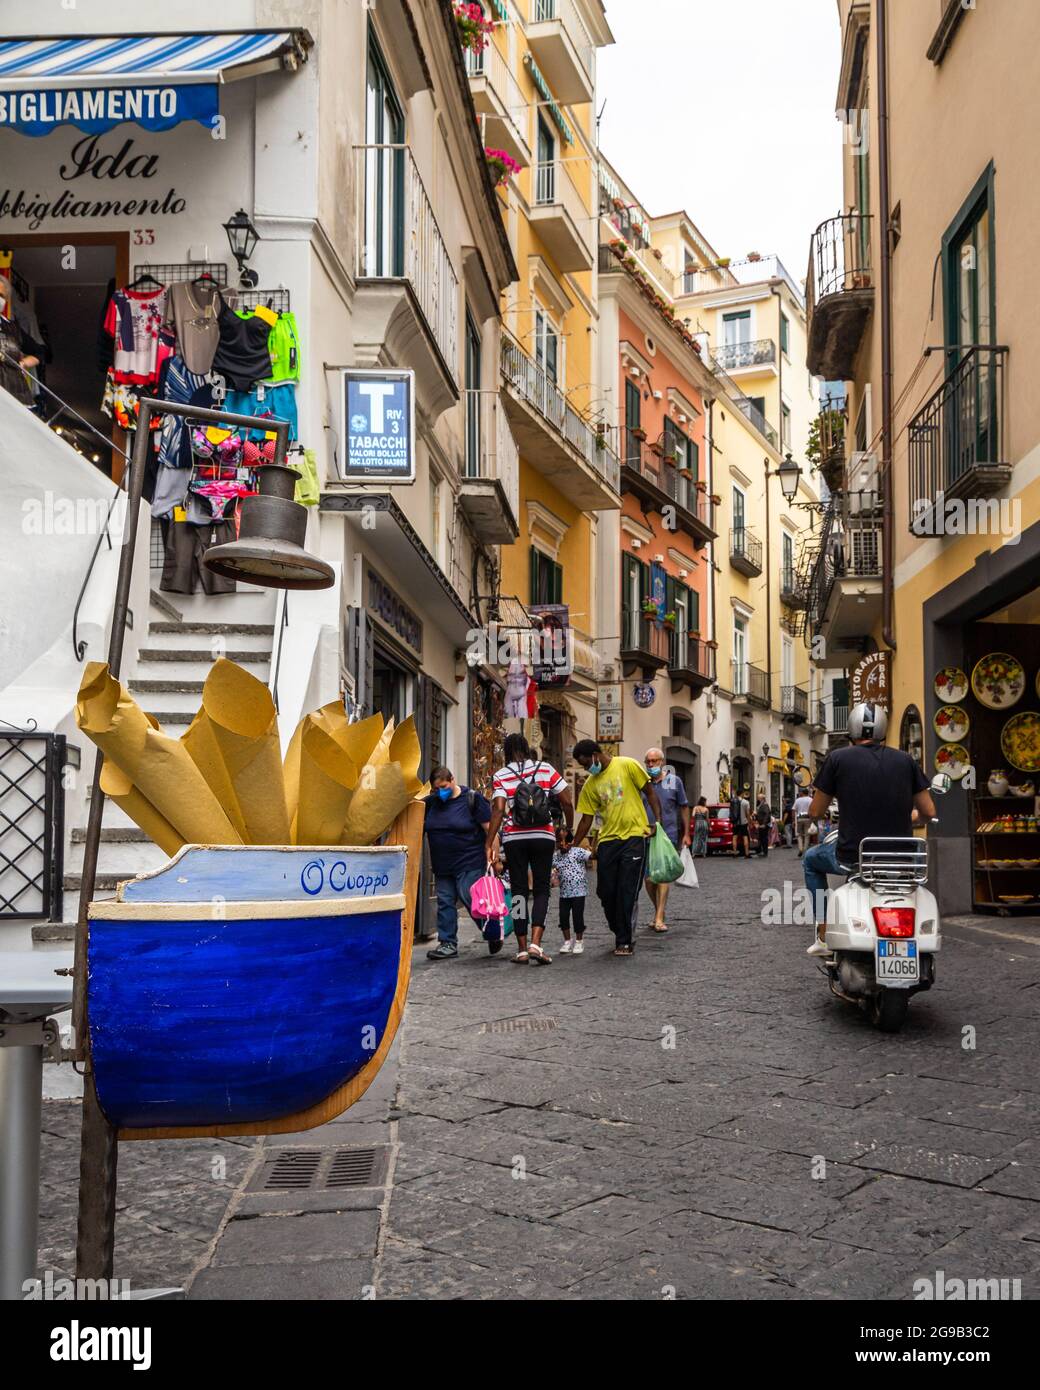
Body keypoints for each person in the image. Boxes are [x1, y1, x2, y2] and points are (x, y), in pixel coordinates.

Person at [803, 703, 934, 957]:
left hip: (853, 857)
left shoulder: (837, 759)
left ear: (851, 729)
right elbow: (928, 812)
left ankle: (823, 931)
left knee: (810, 860)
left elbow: (816, 812)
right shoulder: (906, 760)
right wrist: (911, 817)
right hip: (901, 860)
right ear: (883, 730)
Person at [485, 732, 573, 966]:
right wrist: (568, 828)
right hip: (543, 836)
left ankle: (522, 949)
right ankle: (536, 943)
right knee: (542, 888)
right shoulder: (545, 768)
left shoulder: (501, 775)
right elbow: (566, 800)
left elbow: (499, 809)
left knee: (519, 892)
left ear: (506, 751)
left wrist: (489, 843)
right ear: (526, 747)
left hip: (514, 838)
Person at [572, 739, 662, 957]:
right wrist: (573, 845)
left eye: (586, 763)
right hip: (607, 842)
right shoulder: (590, 785)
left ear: (595, 754)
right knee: (605, 891)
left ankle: (624, 940)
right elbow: (586, 820)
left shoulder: (627, 765)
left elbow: (649, 792)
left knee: (627, 890)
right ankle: (619, 928)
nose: (586, 768)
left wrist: (656, 822)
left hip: (634, 837)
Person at [422, 766, 495, 961]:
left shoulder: (472, 799)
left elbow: (490, 828)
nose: (440, 792)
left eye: (443, 787)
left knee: (471, 899)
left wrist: (494, 857)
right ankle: (447, 944)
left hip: (469, 861)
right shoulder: (430, 804)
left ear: (452, 780)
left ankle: (492, 931)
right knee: (445, 902)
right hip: (442, 864)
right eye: (436, 789)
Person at [641, 747, 691, 933]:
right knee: (648, 879)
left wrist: (686, 833)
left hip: (667, 835)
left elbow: (684, 807)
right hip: (645, 834)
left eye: (654, 761)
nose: (651, 764)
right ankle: (658, 911)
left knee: (662, 875)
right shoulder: (642, 783)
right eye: (648, 761)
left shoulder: (674, 781)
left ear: (662, 762)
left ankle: (659, 917)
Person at [551, 827, 591, 954]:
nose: (563, 844)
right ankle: (567, 941)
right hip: (564, 893)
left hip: (579, 891)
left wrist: (594, 844)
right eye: (559, 841)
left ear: (571, 841)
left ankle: (579, 941)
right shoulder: (556, 856)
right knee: (563, 916)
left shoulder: (578, 852)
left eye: (566, 840)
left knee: (577, 916)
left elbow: (593, 856)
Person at [793, 785, 814, 858]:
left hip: (799, 818)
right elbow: (813, 809)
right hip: (808, 818)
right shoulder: (811, 799)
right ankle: (805, 850)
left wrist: (793, 820)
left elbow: (793, 810)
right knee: (807, 835)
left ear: (802, 793)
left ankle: (800, 848)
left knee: (799, 834)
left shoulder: (798, 800)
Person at [731, 787, 751, 860]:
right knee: (745, 837)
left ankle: (734, 853)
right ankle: (747, 853)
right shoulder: (746, 802)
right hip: (743, 822)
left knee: (734, 837)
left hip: (735, 822)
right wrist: (749, 822)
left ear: (736, 794)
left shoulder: (733, 801)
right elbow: (748, 813)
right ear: (742, 794)